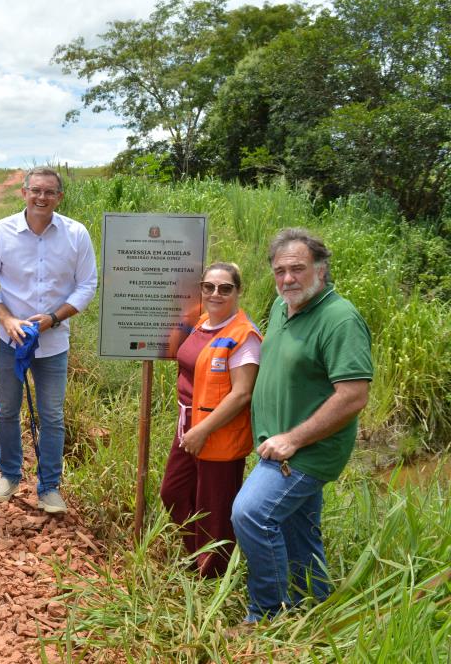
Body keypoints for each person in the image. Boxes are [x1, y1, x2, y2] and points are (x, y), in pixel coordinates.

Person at [231, 228, 372, 623]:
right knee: (297, 529)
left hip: (304, 451)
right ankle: (316, 603)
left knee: (251, 514)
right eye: (280, 270)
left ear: (321, 270)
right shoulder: (283, 307)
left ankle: (268, 613)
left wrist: (292, 439)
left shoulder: (339, 319)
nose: (288, 278)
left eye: (298, 268)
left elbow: (353, 396)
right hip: (277, 446)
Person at [0, 166, 98, 514]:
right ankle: (10, 475)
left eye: (49, 192)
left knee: (52, 415)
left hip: (54, 340)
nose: (42, 197)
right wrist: (7, 318)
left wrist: (55, 318)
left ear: (59, 197)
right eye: (36, 190)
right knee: (7, 409)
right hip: (8, 339)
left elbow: (87, 283)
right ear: (24, 193)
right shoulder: (1, 232)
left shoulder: (76, 234)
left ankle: (49, 487)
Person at [159, 262, 261, 578]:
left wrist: (202, 430)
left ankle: (213, 576)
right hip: (187, 427)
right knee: (173, 492)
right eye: (209, 287)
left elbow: (242, 394)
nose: (216, 293)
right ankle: (198, 557)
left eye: (225, 288)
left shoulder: (244, 336)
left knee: (214, 509)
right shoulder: (203, 323)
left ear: (238, 292)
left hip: (218, 434)